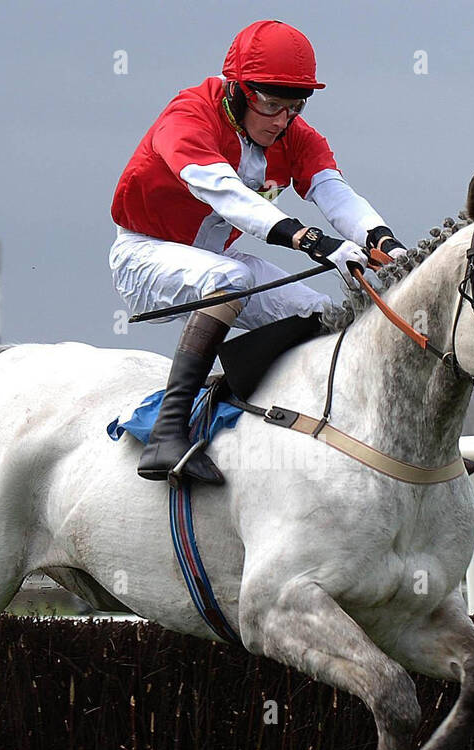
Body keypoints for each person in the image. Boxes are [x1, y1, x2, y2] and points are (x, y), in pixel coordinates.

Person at [109, 19, 407, 485]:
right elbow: (227, 194)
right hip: (146, 255)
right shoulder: (187, 117)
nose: (282, 121)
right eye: (271, 105)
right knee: (231, 279)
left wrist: (384, 242)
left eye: (294, 107)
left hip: (219, 263)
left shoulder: (294, 134)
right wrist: (312, 241)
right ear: (237, 91)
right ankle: (168, 433)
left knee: (323, 314)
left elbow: (335, 193)